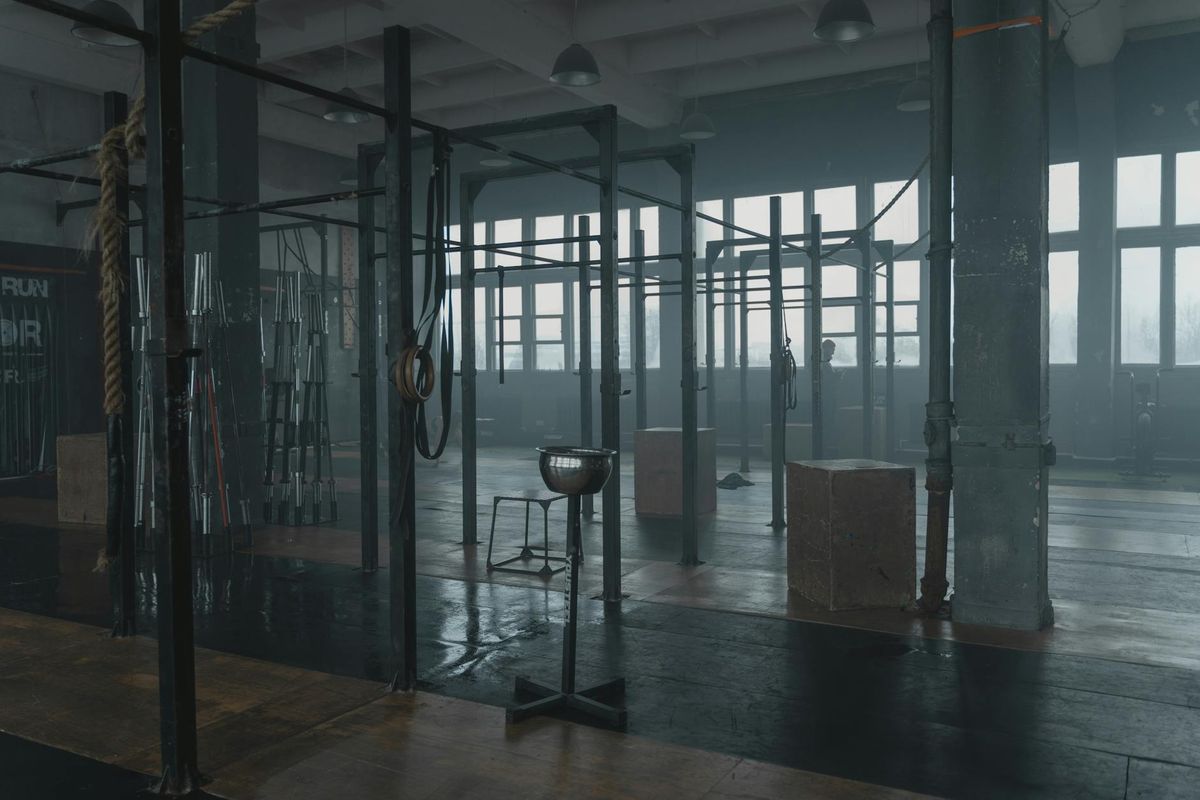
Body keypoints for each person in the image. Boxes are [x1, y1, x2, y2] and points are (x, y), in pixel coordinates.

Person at [819, 339, 841, 458]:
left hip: (827, 396)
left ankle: (824, 448)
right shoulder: (823, 363)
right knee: (827, 422)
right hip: (826, 397)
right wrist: (837, 376)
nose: (833, 352)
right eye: (832, 349)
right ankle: (824, 449)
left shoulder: (824, 362)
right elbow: (828, 380)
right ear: (826, 348)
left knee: (828, 422)